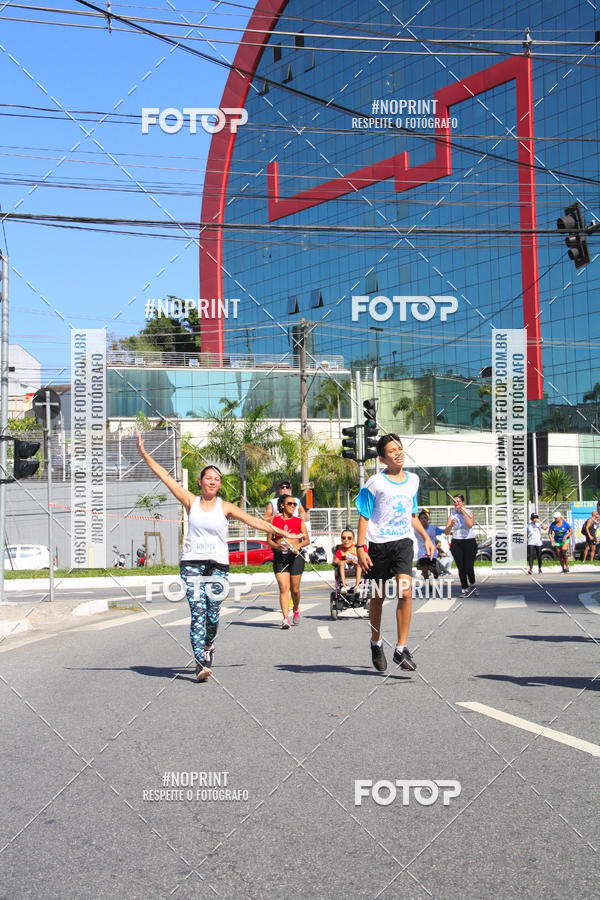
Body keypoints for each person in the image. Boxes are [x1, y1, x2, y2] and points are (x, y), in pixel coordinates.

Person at [137, 435, 292, 681]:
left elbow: (253, 520)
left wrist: (280, 530)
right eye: (208, 477)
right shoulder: (190, 501)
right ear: (200, 482)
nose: (213, 481)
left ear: (219, 485)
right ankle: (200, 663)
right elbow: (165, 478)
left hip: (218, 565)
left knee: (213, 614)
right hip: (192, 563)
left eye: (217, 479)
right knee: (197, 611)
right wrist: (145, 455)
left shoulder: (225, 506)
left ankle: (208, 645)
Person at [356, 434, 434, 674]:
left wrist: (426, 537)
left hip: (402, 543)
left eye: (400, 448)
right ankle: (376, 642)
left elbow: (412, 516)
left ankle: (401, 648)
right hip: (379, 546)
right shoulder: (375, 483)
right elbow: (364, 516)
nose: (398, 453)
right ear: (382, 458)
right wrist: (360, 548)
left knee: (405, 591)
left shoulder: (413, 480)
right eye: (392, 450)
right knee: (377, 597)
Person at [267, 496, 310, 627]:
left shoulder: (298, 521)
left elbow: (306, 539)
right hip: (280, 556)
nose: (293, 506)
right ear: (282, 506)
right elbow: (269, 540)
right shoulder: (274, 520)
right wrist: (277, 546)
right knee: (283, 588)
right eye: (290, 503)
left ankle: (296, 608)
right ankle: (286, 618)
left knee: (295, 589)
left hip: (296, 556)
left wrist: (298, 546)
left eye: (295, 504)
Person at [444, 494, 478, 597]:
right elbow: (446, 531)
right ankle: (464, 589)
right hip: (456, 542)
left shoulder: (469, 512)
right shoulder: (452, 514)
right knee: (461, 567)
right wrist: (451, 524)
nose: (456, 504)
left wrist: (463, 511)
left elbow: (470, 525)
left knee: (468, 566)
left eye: (458, 501)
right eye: (454, 502)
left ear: (463, 503)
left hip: (469, 541)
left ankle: (472, 583)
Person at [414, 509, 444, 580]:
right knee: (424, 569)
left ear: (427, 519)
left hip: (431, 551)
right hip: (422, 551)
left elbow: (443, 531)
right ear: (419, 520)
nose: (424, 520)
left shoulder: (432, 528)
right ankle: (428, 585)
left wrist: (448, 531)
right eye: (422, 518)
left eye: (425, 518)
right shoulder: (416, 529)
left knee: (431, 568)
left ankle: (434, 571)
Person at [334, 528, 362, 594]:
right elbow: (336, 561)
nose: (346, 540)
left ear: (353, 540)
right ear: (341, 539)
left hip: (356, 564)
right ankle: (344, 586)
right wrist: (348, 561)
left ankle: (357, 586)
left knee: (359, 565)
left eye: (349, 538)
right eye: (344, 538)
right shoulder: (340, 548)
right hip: (345, 564)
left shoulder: (357, 548)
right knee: (341, 564)